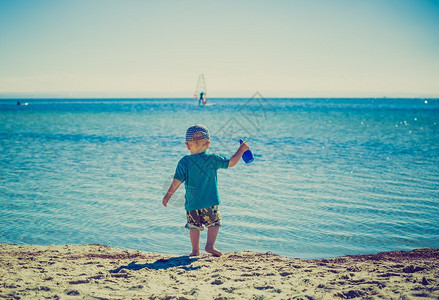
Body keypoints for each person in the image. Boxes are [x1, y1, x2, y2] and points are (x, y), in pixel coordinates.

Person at [162, 124, 250, 257]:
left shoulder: (184, 162)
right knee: (214, 224)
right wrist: (241, 150)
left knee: (193, 226)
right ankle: (210, 246)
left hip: (192, 205)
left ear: (187, 145)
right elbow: (231, 162)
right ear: (208, 144)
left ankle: (195, 250)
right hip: (210, 202)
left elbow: (176, 182)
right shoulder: (213, 159)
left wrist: (167, 196)